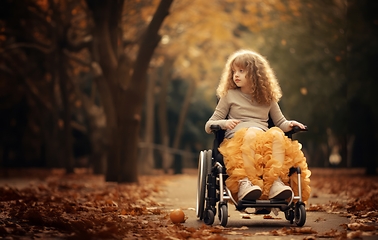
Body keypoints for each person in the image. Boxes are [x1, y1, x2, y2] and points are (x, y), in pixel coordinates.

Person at [205, 49, 311, 202]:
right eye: (234, 71)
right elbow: (209, 125)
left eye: (241, 71)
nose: (236, 75)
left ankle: (276, 183)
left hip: (263, 142)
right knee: (251, 133)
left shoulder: (268, 98)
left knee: (276, 134)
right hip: (238, 142)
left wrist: (290, 124)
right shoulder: (229, 95)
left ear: (255, 73)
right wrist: (224, 123)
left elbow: (280, 123)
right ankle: (245, 184)